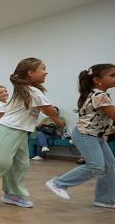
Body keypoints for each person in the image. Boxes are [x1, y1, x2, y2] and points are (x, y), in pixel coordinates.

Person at [0, 58, 64, 208]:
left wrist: (53, 115)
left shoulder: (28, 90)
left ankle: (11, 195)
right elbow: (49, 109)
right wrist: (56, 118)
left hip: (21, 132)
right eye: (43, 69)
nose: (46, 72)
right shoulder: (31, 90)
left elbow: (44, 108)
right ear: (31, 73)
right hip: (7, 130)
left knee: (21, 165)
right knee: (5, 162)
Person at [46, 64, 115, 208]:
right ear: (97, 80)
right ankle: (58, 183)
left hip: (96, 135)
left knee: (109, 166)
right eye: (113, 75)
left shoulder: (99, 94)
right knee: (96, 166)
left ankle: (104, 199)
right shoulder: (99, 95)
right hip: (86, 135)